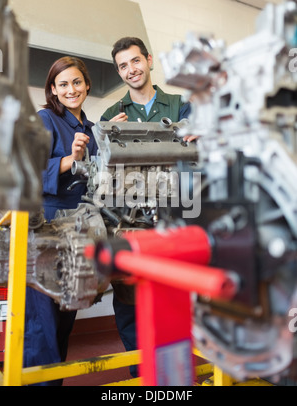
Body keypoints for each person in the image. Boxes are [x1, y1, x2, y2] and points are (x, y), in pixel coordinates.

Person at [100, 37, 191, 377]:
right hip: (129, 215)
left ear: (149, 60)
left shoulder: (181, 105)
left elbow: (198, 148)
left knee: (173, 291)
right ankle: (140, 373)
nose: (131, 70)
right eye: (123, 65)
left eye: (135, 61)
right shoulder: (112, 115)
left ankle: (173, 372)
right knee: (128, 293)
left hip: (176, 211)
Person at [23, 56, 97, 385]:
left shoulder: (94, 130)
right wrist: (70, 159)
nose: (71, 89)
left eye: (77, 82)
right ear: (53, 89)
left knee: (67, 314)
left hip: (82, 224)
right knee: (43, 322)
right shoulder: (45, 120)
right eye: (63, 84)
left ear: (87, 85)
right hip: (48, 226)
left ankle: (54, 381)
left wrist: (118, 140)